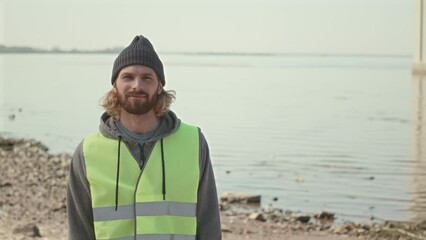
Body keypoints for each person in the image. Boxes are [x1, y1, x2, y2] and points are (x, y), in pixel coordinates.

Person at [67, 35, 222, 240]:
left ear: (159, 86)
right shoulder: (88, 152)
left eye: (147, 77)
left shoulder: (194, 142)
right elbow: (80, 231)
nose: (137, 85)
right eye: (128, 77)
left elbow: (208, 221)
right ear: (115, 85)